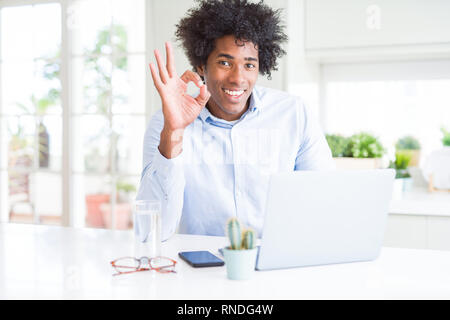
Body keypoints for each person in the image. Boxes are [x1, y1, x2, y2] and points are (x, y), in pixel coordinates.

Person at [136, 0, 335, 240]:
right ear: (201, 65)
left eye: (249, 64)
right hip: (201, 271)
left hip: (277, 265)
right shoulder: (166, 124)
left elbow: (323, 206)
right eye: (224, 63)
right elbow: (152, 232)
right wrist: (174, 134)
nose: (238, 78)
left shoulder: (294, 114)